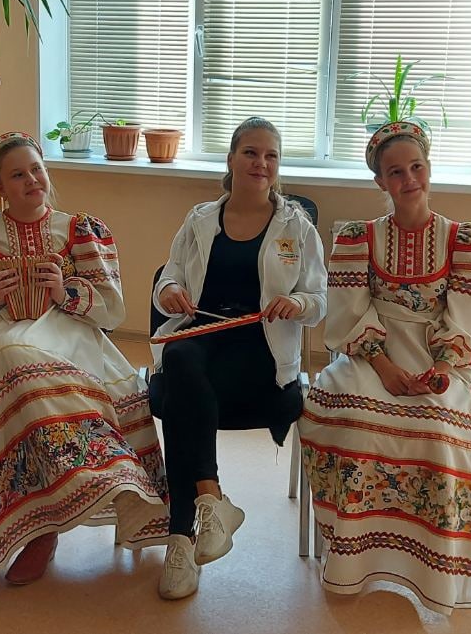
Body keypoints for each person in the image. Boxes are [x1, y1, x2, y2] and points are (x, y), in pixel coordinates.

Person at [299, 122, 471, 614]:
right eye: (396, 172)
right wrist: (383, 367)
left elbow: (469, 320)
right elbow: (347, 314)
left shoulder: (466, 239)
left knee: (443, 429)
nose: (409, 179)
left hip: (443, 357)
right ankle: (357, 560)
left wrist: (440, 370)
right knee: (359, 423)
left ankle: (436, 566)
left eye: (416, 167)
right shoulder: (357, 238)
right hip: (372, 354)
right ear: (380, 181)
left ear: (429, 168)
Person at [0, 131, 169, 585]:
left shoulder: (80, 230)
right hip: (0, 333)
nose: (31, 180)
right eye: (17, 175)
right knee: (12, 359)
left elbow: (113, 310)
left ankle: (91, 492)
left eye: (36, 169)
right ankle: (44, 522)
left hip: (70, 332)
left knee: (33, 370)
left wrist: (65, 291)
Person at [149, 116, 326, 599]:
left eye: (271, 155)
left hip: (262, 349)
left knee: (182, 399)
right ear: (231, 159)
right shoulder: (199, 218)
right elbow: (169, 277)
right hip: (203, 336)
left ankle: (181, 539)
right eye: (250, 152)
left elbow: (319, 301)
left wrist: (298, 303)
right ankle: (210, 502)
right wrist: (170, 293)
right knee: (180, 360)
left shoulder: (297, 227)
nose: (260, 163)